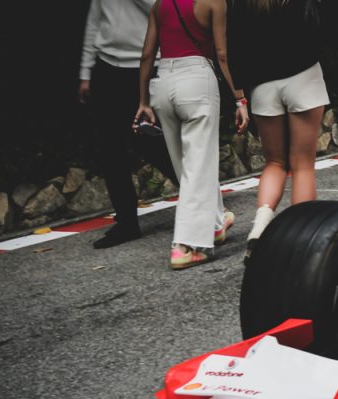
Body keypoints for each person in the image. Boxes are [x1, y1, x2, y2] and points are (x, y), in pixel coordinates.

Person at [136, 0, 249, 270]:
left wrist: (142, 102)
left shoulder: (160, 5)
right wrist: (240, 99)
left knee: (186, 166)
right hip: (197, 79)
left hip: (162, 83)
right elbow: (222, 54)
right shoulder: (214, 2)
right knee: (199, 164)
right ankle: (185, 246)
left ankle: (216, 224)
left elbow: (147, 55)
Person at [227, 0, 327, 256]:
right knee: (302, 164)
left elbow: (234, 45)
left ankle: (260, 224)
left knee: (275, 162)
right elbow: (323, 24)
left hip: (262, 85)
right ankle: (301, 235)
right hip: (304, 75)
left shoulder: (243, 4)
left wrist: (241, 91)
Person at [79, 0, 179, 249]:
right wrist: (85, 71)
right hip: (106, 65)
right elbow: (94, 22)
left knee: (149, 143)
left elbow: (164, 9)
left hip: (144, 65)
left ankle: (201, 199)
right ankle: (126, 223)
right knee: (110, 149)